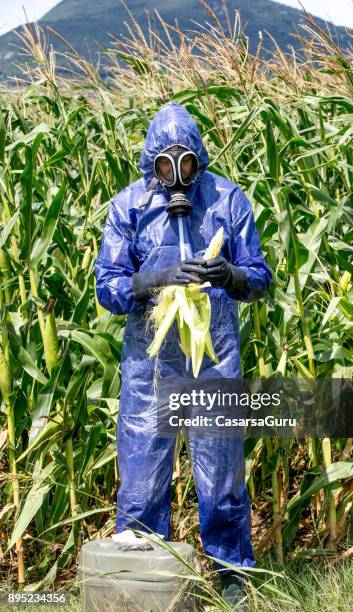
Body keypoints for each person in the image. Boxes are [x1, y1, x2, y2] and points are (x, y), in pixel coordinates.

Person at [94, 101, 272, 607]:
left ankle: (231, 571)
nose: (177, 175)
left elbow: (259, 276)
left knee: (221, 475)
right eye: (166, 165)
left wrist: (231, 276)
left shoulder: (227, 201)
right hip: (151, 366)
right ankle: (141, 576)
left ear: (200, 161)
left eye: (186, 163)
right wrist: (151, 280)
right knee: (142, 477)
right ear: (152, 164)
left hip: (213, 358)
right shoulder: (128, 206)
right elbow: (107, 288)